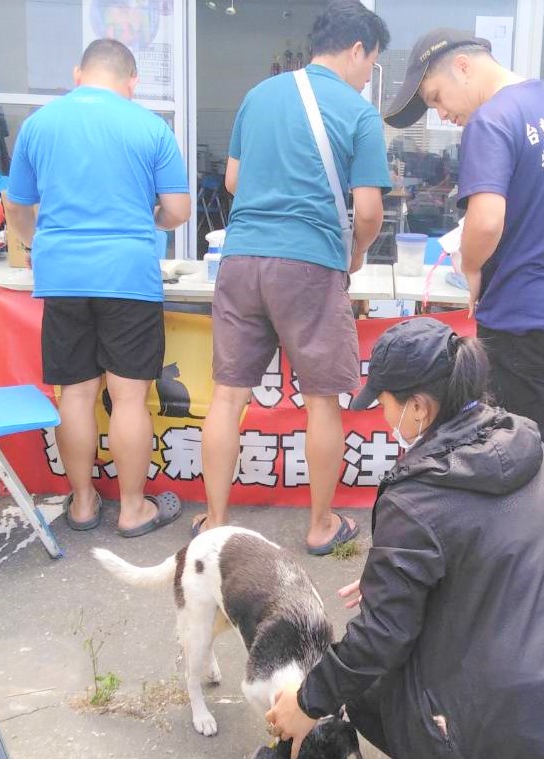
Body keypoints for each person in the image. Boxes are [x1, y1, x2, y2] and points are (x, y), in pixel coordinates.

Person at [266, 318, 544, 759]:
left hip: (532, 735)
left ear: (418, 407)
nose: (384, 416)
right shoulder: (525, 440)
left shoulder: (416, 498)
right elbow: (501, 549)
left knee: (371, 691)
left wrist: (307, 703)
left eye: (385, 404)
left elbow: (381, 638)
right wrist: (395, 577)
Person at [383, 29, 544, 558]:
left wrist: (470, 267)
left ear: (463, 66)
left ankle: (526, 576)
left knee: (517, 450)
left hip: (526, 317)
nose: (442, 113)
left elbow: (486, 221)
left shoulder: (493, 119)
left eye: (436, 97)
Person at [196, 0, 392, 553]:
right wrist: (356, 252)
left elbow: (233, 181)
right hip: (309, 263)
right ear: (357, 49)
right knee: (322, 401)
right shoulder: (357, 113)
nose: (367, 76)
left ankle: (214, 523)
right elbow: (369, 210)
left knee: (227, 398)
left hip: (241, 258)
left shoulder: (259, 95)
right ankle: (321, 525)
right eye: (371, 63)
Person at [5, 39, 191, 537]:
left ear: (78, 74)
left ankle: (84, 504)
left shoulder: (39, 124)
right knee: (128, 399)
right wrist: (148, 219)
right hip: (128, 275)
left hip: (62, 276)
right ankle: (132, 510)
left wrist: (39, 243)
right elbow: (177, 210)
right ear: (133, 81)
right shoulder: (150, 127)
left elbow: (17, 206)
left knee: (76, 394)